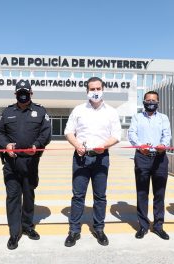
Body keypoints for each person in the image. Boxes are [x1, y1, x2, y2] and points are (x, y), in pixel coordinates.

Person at [63, 77, 121, 247]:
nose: (95, 92)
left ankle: (99, 229)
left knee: (100, 196)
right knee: (78, 195)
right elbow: (68, 131)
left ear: (103, 89)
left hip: (102, 157)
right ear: (87, 91)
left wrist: (105, 145)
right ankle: (74, 231)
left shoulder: (111, 111)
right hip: (81, 156)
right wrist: (77, 145)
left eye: (98, 88)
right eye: (92, 89)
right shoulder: (79, 110)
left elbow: (117, 135)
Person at [0, 80, 51, 250]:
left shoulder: (40, 111)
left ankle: (27, 226)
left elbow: (46, 133)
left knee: (28, 195)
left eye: (26, 92)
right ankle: (14, 232)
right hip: (11, 162)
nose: (23, 94)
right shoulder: (8, 111)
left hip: (31, 162)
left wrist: (37, 144)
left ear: (31, 93)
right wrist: (5, 144)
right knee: (12, 197)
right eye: (20, 92)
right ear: (15, 94)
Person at [127, 91, 172, 240]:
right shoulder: (137, 117)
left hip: (159, 159)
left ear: (158, 102)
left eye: (153, 100)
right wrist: (140, 146)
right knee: (142, 193)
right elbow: (132, 133)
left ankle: (158, 226)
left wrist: (163, 145)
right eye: (148, 100)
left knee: (159, 194)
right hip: (142, 158)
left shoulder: (163, 118)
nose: (151, 102)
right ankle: (143, 226)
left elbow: (167, 134)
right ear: (144, 102)